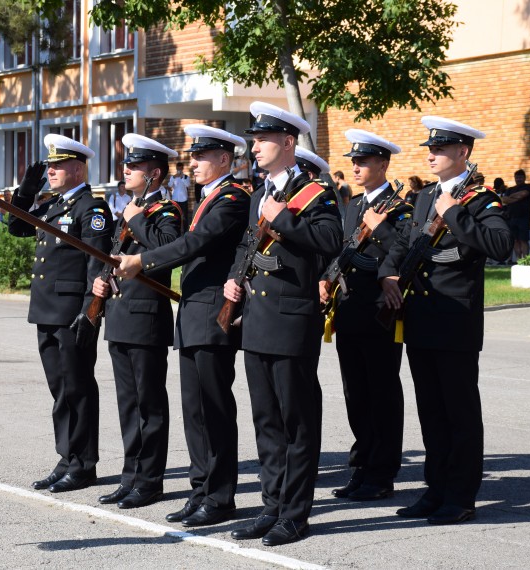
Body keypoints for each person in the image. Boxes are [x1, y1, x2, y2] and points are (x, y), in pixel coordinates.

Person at [114, 125, 250, 528]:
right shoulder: (208, 197)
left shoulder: (232, 198)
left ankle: (220, 496)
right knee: (196, 412)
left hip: (212, 315)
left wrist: (143, 261)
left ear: (224, 160)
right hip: (194, 314)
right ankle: (200, 491)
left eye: (200, 157)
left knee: (214, 409)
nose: (192, 164)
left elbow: (194, 245)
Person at [380, 116, 512, 525]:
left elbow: (500, 246)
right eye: (430, 149)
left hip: (455, 324)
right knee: (431, 412)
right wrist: (387, 273)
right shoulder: (422, 199)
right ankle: (435, 489)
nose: (432, 155)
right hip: (420, 319)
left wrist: (454, 213)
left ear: (463, 153)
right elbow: (402, 244)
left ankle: (460, 495)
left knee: (459, 413)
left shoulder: (481, 199)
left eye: (440, 149)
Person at [224, 101, 342, 546]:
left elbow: (331, 241)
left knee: (297, 422)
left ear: (288, 142)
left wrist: (285, 219)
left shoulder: (316, 192)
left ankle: (294, 515)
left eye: (262, 139)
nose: (254, 146)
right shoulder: (258, 193)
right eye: (254, 139)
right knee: (266, 421)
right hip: (256, 319)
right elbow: (246, 246)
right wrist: (233, 282)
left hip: (292, 321)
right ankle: (271, 506)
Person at [8, 134, 114, 494]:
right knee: (60, 390)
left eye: (57, 166)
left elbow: (97, 266)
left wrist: (90, 313)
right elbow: (18, 226)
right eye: (48, 166)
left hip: (72, 313)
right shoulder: (54, 206)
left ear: (78, 168)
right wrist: (26, 188)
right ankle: (67, 457)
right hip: (47, 311)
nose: (50, 171)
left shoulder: (91, 208)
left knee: (78, 387)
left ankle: (84, 464)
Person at [320, 129, 411, 503]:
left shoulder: (401, 208)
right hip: (350, 310)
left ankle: (382, 471)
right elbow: (340, 249)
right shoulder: (354, 206)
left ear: (383, 164)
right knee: (355, 392)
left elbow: (406, 250)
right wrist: (326, 278)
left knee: (382, 392)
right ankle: (363, 464)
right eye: (353, 161)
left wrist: (382, 228)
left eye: (363, 161)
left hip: (380, 313)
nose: (355, 167)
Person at [92, 133, 181, 510]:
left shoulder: (166, 211)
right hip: (120, 315)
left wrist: (134, 219)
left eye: (135, 166)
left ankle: (150, 480)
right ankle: (130, 477)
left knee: (149, 405)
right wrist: (103, 278)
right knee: (128, 405)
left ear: (154, 174)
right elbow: (117, 257)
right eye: (127, 165)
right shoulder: (129, 208)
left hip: (146, 319)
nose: (126, 170)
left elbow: (164, 253)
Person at [501, 169, 530, 261]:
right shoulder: (510, 189)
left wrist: (511, 197)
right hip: (512, 218)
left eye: (520, 177)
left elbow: (524, 194)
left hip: (524, 218)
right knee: (515, 240)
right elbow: (504, 200)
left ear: (524, 178)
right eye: (517, 177)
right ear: (515, 178)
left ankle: (526, 260)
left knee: (523, 240)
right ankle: (519, 260)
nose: (518, 179)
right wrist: (517, 198)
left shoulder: (528, 187)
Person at [167, 162, 190, 226]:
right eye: (178, 169)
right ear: (176, 169)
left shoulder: (186, 177)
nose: (179, 170)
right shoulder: (173, 177)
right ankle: (177, 229)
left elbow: (188, 185)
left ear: (182, 169)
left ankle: (185, 230)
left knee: (185, 216)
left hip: (184, 199)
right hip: (175, 199)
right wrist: (173, 178)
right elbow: (169, 185)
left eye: (180, 169)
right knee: (176, 215)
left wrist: (182, 178)